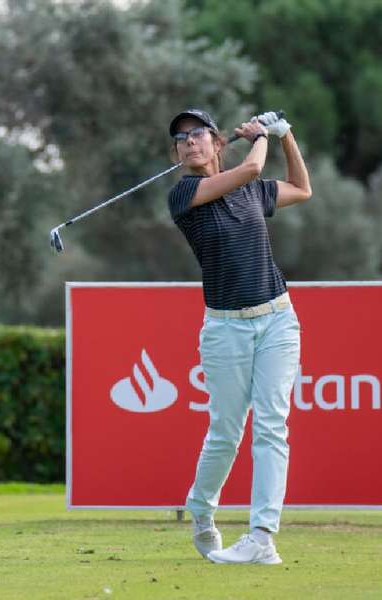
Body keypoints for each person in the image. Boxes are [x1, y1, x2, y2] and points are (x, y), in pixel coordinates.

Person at [167, 109, 311, 564]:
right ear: (177, 154)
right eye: (180, 139)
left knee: (272, 426)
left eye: (197, 135)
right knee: (226, 432)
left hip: (277, 319)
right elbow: (251, 166)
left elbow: (302, 188)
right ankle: (202, 509)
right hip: (225, 327)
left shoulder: (251, 190)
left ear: (215, 142)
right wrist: (263, 135)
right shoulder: (184, 194)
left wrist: (285, 136)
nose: (189, 143)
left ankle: (262, 536)